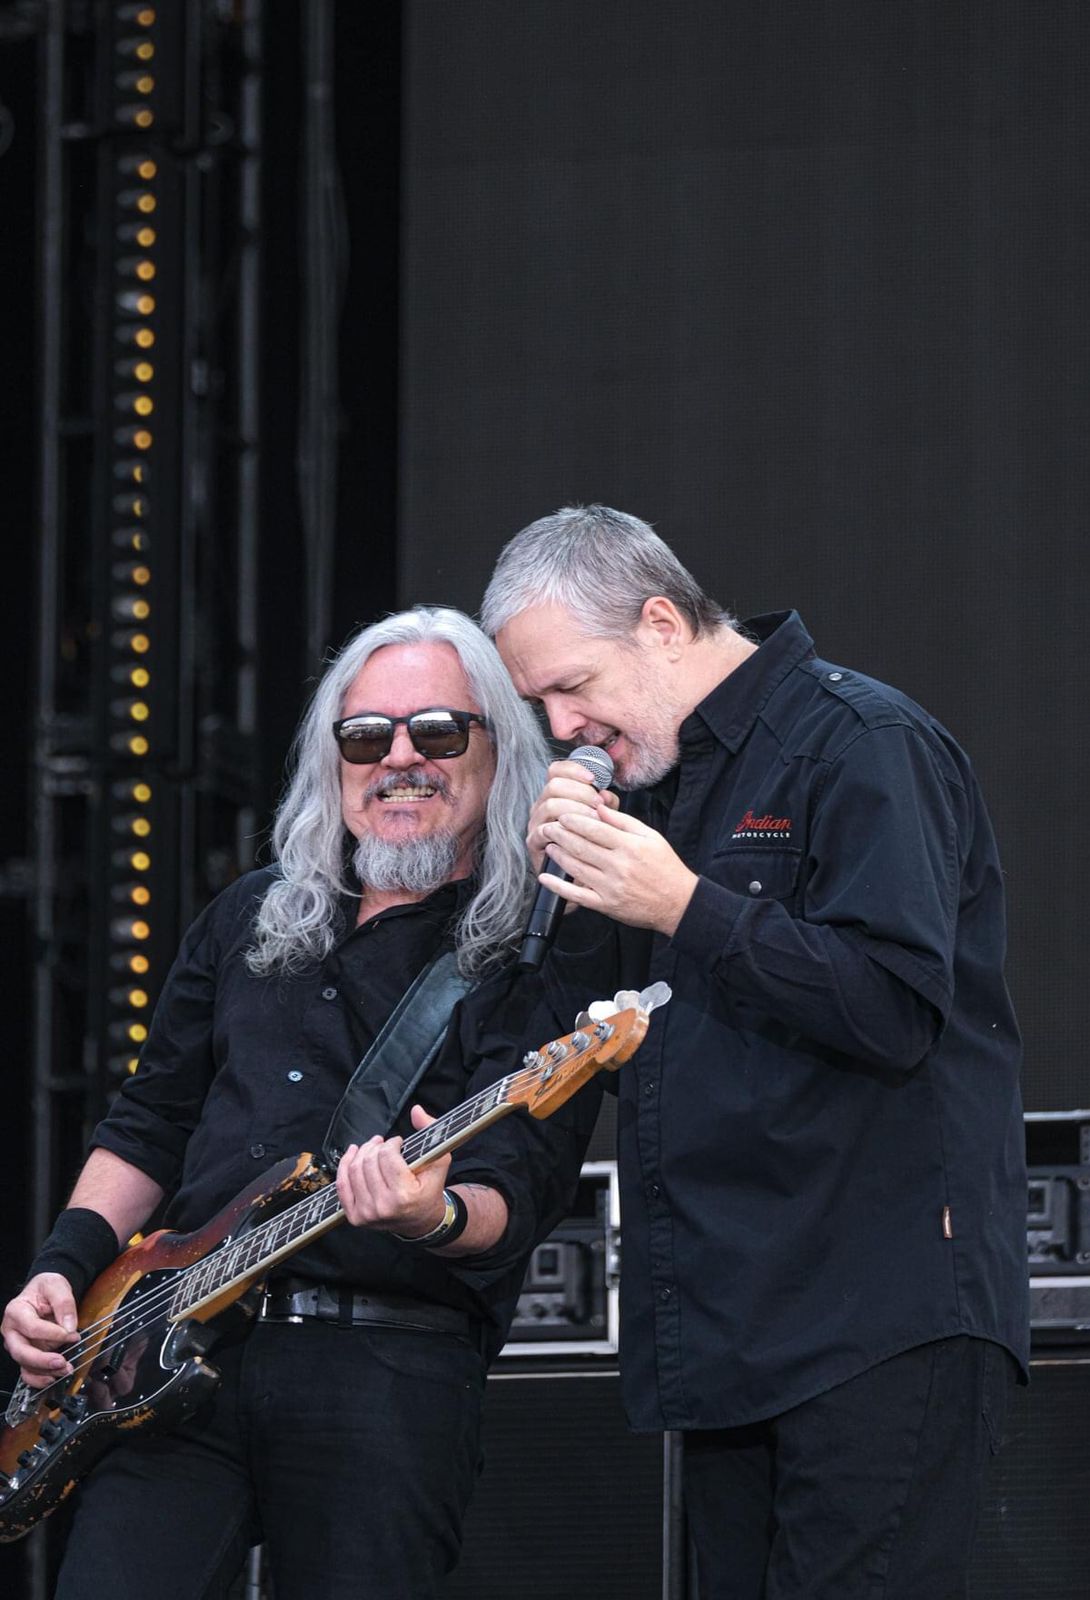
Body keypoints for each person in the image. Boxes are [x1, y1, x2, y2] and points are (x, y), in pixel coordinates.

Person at [481, 505, 1029, 1600]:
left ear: (660, 624)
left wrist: (686, 904)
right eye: (539, 705)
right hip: (727, 1329)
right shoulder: (655, 790)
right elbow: (604, 1043)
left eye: (571, 686)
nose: (562, 725)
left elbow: (895, 1009)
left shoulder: (862, 742)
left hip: (875, 1319)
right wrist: (571, 908)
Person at [2, 606, 603, 1599]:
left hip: (383, 1367)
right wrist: (60, 1269)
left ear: (499, 752)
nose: (399, 759)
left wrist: (432, 1213)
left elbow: (517, 1189)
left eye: (437, 732)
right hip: (168, 1353)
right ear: (333, 761)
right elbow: (150, 1122)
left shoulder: (536, 946)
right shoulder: (246, 914)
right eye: (365, 736)